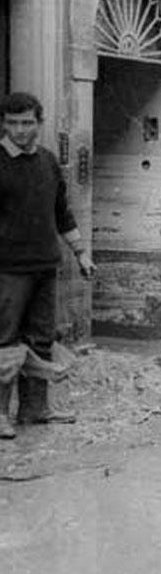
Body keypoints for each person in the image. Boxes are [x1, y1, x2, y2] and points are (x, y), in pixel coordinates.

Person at [0, 92, 91, 439]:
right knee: (5, 342)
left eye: (26, 123)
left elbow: (62, 213)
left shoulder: (49, 161)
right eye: (12, 123)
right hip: (7, 270)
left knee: (40, 339)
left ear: (39, 123)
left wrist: (81, 252)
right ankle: (0, 415)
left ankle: (35, 409)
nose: (20, 130)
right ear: (4, 124)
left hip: (44, 266)